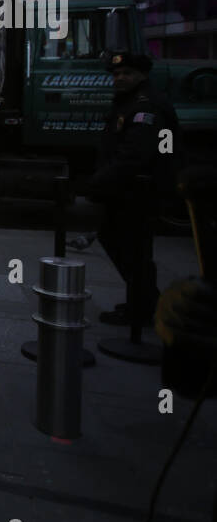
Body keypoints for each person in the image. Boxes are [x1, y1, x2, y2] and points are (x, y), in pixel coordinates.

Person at [87, 51, 181, 326]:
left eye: (127, 73)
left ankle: (141, 308)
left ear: (142, 75)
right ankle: (143, 303)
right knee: (126, 244)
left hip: (138, 190)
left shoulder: (145, 105)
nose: (120, 78)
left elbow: (134, 154)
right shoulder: (132, 102)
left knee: (133, 248)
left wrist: (100, 182)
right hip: (130, 189)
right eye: (116, 74)